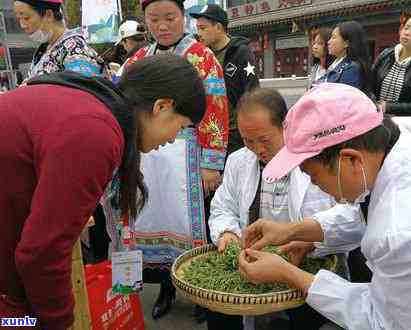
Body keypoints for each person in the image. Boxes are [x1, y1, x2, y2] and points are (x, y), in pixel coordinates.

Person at [0, 54, 206, 330]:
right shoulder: (96, 133)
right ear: (162, 106)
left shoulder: (91, 103)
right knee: (20, 323)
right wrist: (58, 323)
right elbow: (42, 254)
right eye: (180, 127)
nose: (171, 139)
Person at [239, 82, 411, 330]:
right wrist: (296, 232)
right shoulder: (401, 135)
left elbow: (381, 321)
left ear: (351, 160)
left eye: (313, 177)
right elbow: (368, 209)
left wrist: (289, 274)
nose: (316, 185)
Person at [105, 0, 228, 320]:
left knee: (188, 223)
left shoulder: (202, 56)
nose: (162, 26)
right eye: (154, 19)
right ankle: (165, 288)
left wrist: (211, 163)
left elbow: (215, 106)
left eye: (170, 18)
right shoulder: (137, 60)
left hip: (186, 156)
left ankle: (200, 292)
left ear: (182, 17)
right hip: (146, 156)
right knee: (148, 215)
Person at [207, 88, 363, 330]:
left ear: (285, 126)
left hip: (308, 267)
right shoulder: (238, 161)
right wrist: (227, 233)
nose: (257, 149)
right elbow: (222, 206)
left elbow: (351, 215)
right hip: (255, 264)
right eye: (248, 140)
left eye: (264, 140)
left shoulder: (314, 160)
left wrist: (305, 240)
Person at [191, 4, 259, 155]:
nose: (199, 33)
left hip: (234, 133)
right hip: (209, 132)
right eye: (197, 29)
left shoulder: (240, 52)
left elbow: (252, 91)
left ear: (219, 27)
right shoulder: (201, 56)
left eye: (203, 28)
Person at [13, 0, 103, 81]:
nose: (22, 25)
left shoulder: (74, 47)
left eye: (26, 18)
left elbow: (84, 91)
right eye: (19, 19)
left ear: (48, 15)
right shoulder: (45, 49)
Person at [372, 13, 411, 117]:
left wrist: (388, 107)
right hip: (375, 116)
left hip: (403, 122)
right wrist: (374, 103)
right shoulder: (386, 54)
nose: (407, 33)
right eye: (406, 28)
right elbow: (369, 82)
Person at [321, 21, 372, 96]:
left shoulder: (351, 69)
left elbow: (345, 100)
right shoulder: (336, 64)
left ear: (346, 43)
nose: (328, 42)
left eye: (333, 37)